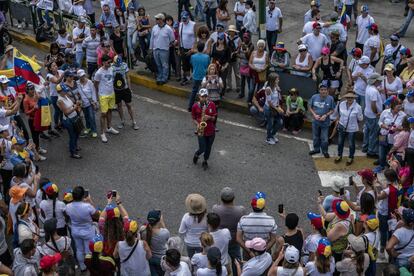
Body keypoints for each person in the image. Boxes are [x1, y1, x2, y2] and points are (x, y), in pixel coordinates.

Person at [65, 186, 99, 272]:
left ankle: (82, 266)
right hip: (88, 230)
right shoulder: (87, 206)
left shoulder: (68, 206)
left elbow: (67, 216)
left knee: (79, 249)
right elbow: (97, 215)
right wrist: (89, 201)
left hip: (75, 230)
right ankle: (90, 266)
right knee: (88, 250)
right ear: (83, 196)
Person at [212, 187, 245, 275]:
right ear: (233, 198)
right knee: (236, 260)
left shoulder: (215, 209)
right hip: (234, 240)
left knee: (219, 258)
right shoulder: (240, 210)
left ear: (221, 198)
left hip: (220, 239)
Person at [236, 192, 277, 258]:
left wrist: (249, 251)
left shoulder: (243, 220)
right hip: (264, 251)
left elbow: (238, 238)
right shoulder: (271, 220)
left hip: (248, 251)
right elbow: (273, 239)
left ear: (251, 205)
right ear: (264, 206)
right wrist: (263, 251)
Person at [94, 55, 120, 143]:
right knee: (103, 114)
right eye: (108, 62)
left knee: (110, 111)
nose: (110, 63)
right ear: (103, 62)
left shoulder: (111, 69)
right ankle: (102, 133)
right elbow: (96, 85)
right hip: (103, 95)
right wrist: (97, 97)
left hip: (111, 94)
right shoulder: (99, 73)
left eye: (110, 62)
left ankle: (109, 127)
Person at [318, 198, 353, 263]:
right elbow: (326, 216)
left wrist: (320, 228)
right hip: (334, 249)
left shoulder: (340, 226)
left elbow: (328, 238)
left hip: (336, 252)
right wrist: (319, 204)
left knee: (334, 269)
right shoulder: (342, 214)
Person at [335, 91, 363, 165]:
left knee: (351, 143)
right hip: (342, 125)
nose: (350, 99)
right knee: (340, 142)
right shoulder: (342, 104)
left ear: (354, 98)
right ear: (346, 98)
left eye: (351, 97)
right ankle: (339, 155)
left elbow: (360, 118)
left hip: (352, 128)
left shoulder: (358, 107)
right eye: (348, 97)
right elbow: (339, 114)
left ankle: (351, 157)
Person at [191, 89, 217, 170]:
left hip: (210, 130)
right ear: (199, 96)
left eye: (206, 96)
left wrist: (209, 117)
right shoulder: (195, 106)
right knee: (202, 148)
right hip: (201, 130)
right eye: (202, 97)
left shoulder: (212, 105)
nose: (204, 98)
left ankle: (205, 161)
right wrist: (198, 124)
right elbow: (194, 118)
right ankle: (197, 154)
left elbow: (214, 118)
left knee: (208, 148)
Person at [139, 210, 170, 275]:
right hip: (161, 259)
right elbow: (167, 238)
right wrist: (162, 222)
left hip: (149, 257)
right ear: (159, 220)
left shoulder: (143, 229)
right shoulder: (164, 233)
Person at [308, 82, 335, 158]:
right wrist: (314, 115)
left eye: (325, 89)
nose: (323, 91)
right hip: (315, 121)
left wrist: (326, 115)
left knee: (324, 138)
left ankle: (325, 151)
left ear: (327, 90)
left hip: (325, 122)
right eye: (321, 89)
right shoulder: (314, 97)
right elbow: (309, 106)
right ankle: (316, 149)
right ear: (319, 90)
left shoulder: (330, 98)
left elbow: (332, 110)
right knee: (315, 137)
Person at [56, 84, 82, 159]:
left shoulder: (65, 96)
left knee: (77, 133)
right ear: (60, 92)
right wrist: (76, 106)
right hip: (69, 120)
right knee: (72, 136)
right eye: (64, 90)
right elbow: (66, 112)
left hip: (74, 117)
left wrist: (75, 105)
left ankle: (75, 146)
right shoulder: (60, 100)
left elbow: (71, 105)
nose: (66, 91)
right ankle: (73, 152)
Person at [362, 73, 384, 158]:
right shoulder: (374, 91)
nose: (380, 81)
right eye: (379, 80)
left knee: (367, 131)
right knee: (373, 134)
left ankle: (365, 147)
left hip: (367, 113)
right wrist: (377, 113)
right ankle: (371, 152)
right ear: (375, 81)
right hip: (373, 115)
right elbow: (373, 104)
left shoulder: (369, 87)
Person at [179, 193, 208, 258]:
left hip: (189, 242)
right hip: (202, 243)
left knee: (191, 258)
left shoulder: (186, 217)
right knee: (201, 257)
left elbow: (181, 231)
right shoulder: (206, 218)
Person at [23, 82, 47, 161]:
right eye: (30, 89)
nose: (32, 90)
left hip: (38, 117)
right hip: (32, 120)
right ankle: (36, 154)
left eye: (33, 88)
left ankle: (38, 148)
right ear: (27, 90)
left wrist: (38, 97)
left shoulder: (35, 94)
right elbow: (26, 112)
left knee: (38, 134)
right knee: (35, 137)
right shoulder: (26, 100)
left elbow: (39, 98)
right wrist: (34, 109)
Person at [150, 13, 175, 85]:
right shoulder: (154, 28)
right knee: (158, 64)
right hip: (155, 49)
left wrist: (167, 45)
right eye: (156, 19)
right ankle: (159, 77)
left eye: (157, 19)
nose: (156, 20)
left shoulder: (168, 29)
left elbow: (172, 39)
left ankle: (164, 78)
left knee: (164, 65)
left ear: (162, 20)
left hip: (164, 50)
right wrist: (151, 48)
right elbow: (152, 39)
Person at [189, 42, 210, 111]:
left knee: (194, 91)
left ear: (197, 48)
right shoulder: (207, 57)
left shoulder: (193, 56)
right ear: (203, 48)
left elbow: (192, 64)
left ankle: (190, 106)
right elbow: (208, 66)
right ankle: (204, 107)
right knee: (204, 92)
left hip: (195, 75)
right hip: (204, 76)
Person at [263, 72, 283, 145]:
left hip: (276, 107)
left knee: (280, 122)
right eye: (277, 79)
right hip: (269, 108)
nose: (278, 80)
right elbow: (269, 102)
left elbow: (278, 98)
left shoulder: (276, 87)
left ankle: (272, 135)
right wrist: (277, 108)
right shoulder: (268, 89)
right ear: (273, 80)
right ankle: (268, 138)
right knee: (270, 124)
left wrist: (279, 106)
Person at [248, 39, 269, 103]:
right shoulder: (253, 53)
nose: (260, 48)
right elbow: (250, 63)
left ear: (264, 47)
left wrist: (263, 69)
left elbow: (267, 63)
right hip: (254, 73)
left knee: (259, 89)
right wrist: (254, 68)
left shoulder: (266, 54)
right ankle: (249, 100)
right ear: (257, 46)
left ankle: (257, 101)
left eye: (262, 46)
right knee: (251, 89)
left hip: (261, 74)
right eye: (259, 46)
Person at [179, 11, 196, 86]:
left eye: (185, 18)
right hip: (183, 48)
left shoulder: (193, 24)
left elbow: (196, 37)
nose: (184, 20)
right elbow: (180, 37)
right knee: (185, 65)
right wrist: (180, 48)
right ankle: (186, 78)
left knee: (193, 65)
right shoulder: (180, 24)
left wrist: (193, 48)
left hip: (191, 49)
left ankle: (195, 79)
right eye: (183, 19)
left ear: (188, 17)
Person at [226, 25, 241, 94]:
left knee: (237, 73)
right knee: (228, 73)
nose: (231, 32)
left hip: (235, 57)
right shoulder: (226, 38)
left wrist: (236, 52)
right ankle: (229, 86)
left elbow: (239, 48)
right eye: (230, 31)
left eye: (232, 31)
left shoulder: (238, 39)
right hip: (228, 58)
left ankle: (238, 86)